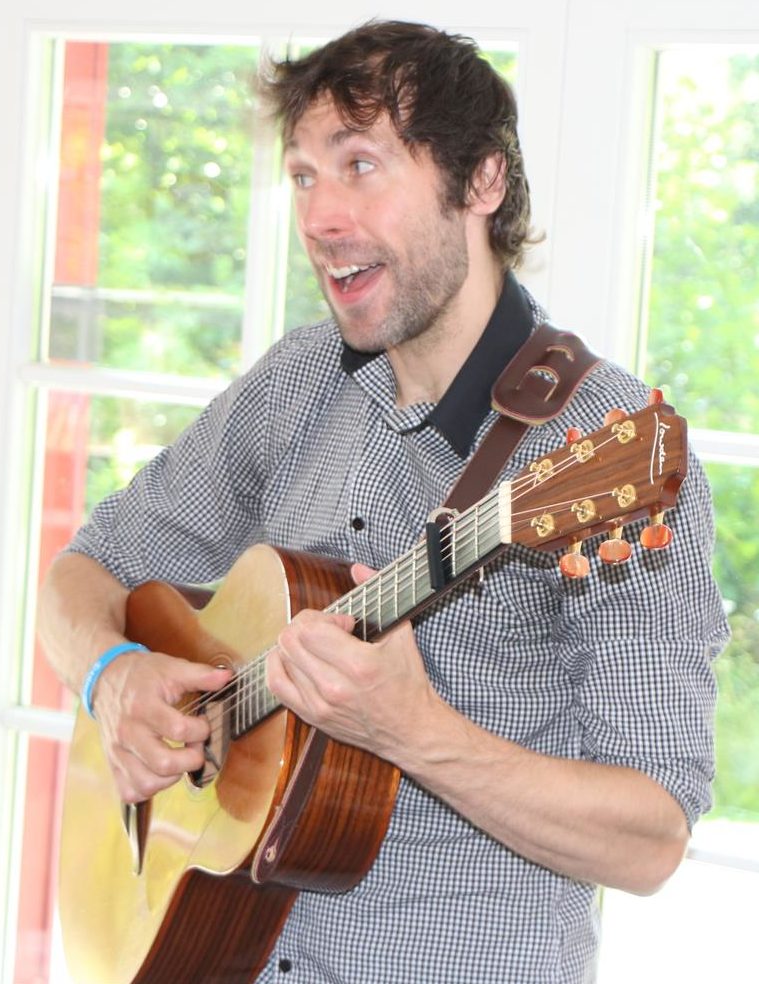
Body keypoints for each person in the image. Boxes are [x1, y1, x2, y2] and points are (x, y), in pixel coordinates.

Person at [38, 20, 729, 983]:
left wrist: (414, 732)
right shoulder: (296, 382)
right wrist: (111, 676)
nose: (320, 217)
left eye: (360, 165)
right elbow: (82, 573)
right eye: (302, 175)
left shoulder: (603, 454)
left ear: (480, 182)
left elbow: (650, 837)